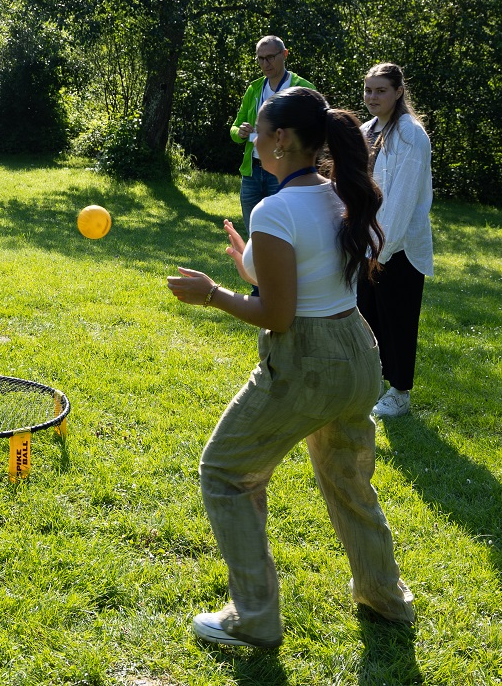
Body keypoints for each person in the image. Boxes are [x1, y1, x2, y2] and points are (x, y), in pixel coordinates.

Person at [168, 87, 415, 648]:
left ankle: (254, 617)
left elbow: (278, 316)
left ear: (281, 138)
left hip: (306, 363)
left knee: (225, 472)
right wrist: (253, 262)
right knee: (349, 483)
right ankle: (386, 599)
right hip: (357, 355)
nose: (253, 138)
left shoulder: (274, 209)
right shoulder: (337, 194)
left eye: (259, 129)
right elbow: (309, 278)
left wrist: (213, 293)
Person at [358, 63, 434, 418]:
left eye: (381, 90)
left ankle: (399, 392)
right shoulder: (365, 131)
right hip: (364, 245)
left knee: (397, 320)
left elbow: (403, 201)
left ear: (399, 91)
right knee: (367, 318)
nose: (373, 97)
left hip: (398, 248)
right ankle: (371, 384)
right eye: (368, 90)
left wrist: (382, 252)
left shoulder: (411, 135)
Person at [230, 36, 316, 231]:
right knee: (253, 230)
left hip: (284, 171)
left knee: (282, 230)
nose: (265, 64)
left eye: (270, 57)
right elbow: (234, 130)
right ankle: (253, 263)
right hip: (253, 171)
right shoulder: (254, 88)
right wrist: (241, 131)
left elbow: (314, 133)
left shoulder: (304, 88)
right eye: (260, 59)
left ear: (284, 54)